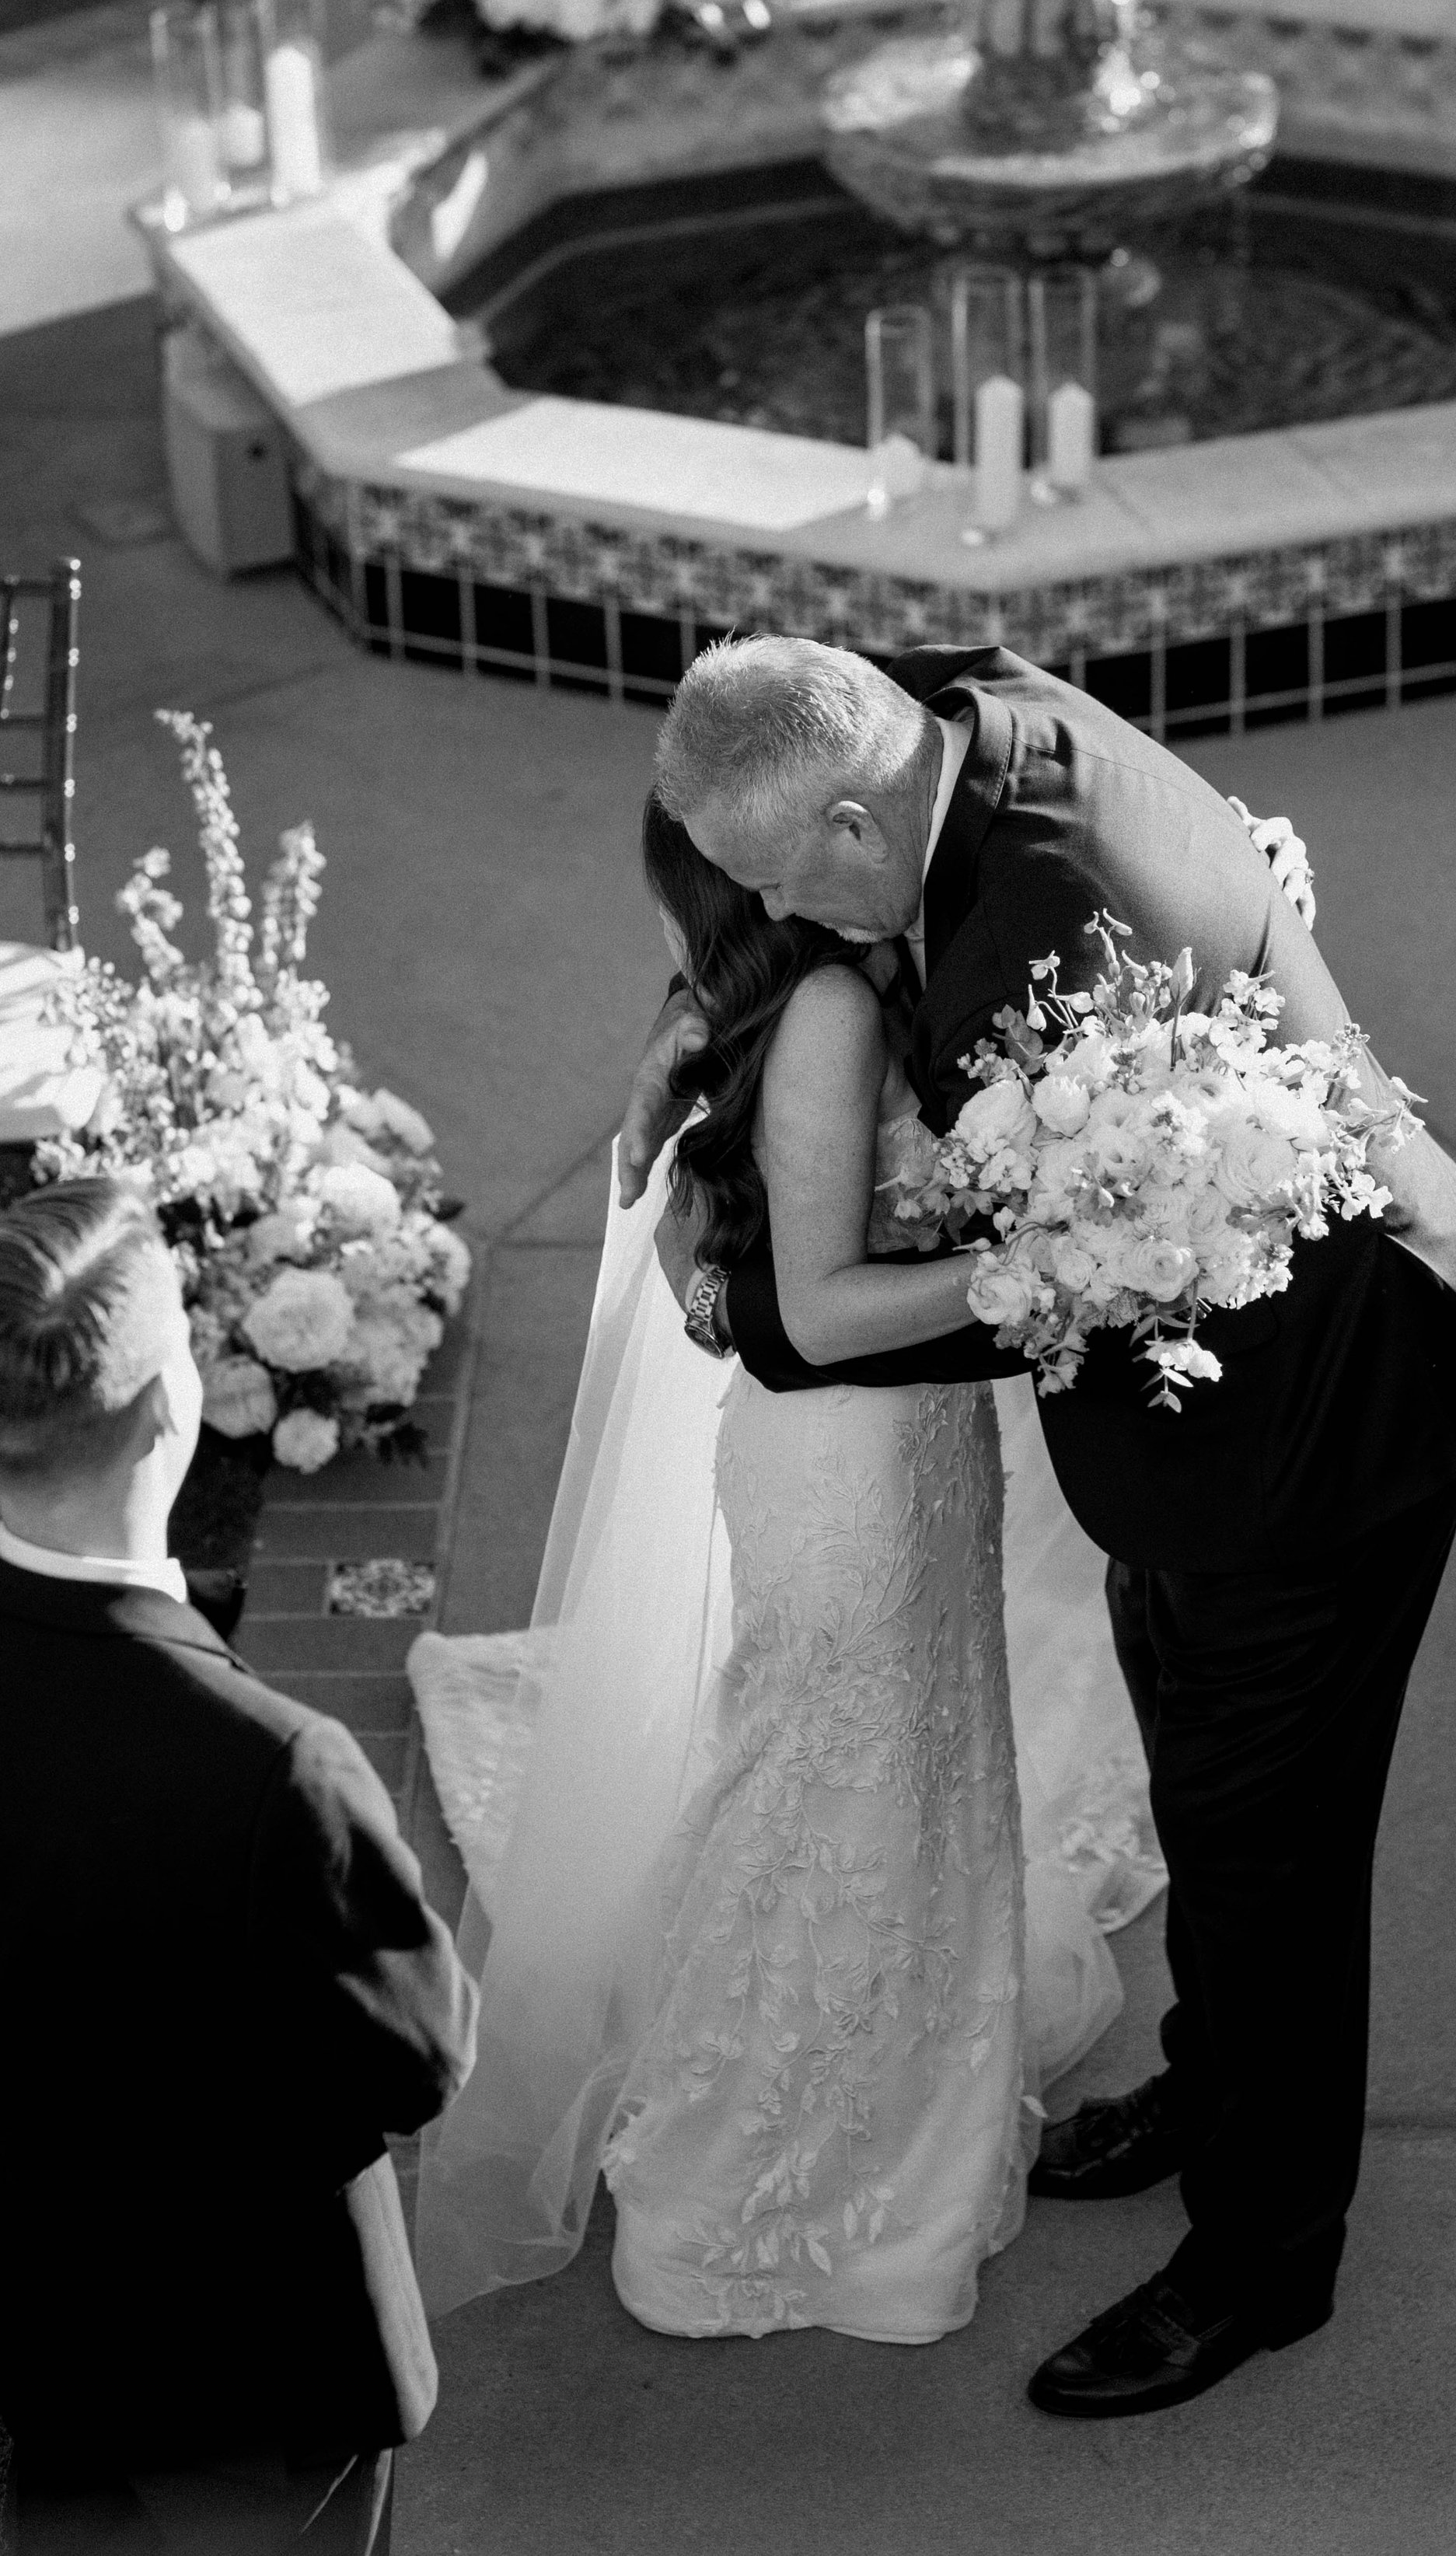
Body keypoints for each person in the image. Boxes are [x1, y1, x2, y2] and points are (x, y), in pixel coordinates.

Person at [623, 636, 1456, 2418]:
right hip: (1198, 1409)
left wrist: (797, 1308)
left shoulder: (1037, 951)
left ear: (865, 824)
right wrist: (695, 1030)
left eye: (781, 885)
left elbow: (1089, 1268)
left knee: (1267, 1854)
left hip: (1308, 1426)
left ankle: (1262, 2262)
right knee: (1197, 1773)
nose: (775, 923)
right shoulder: (960, 701)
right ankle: (1214, 2080)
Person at [414, 801, 1127, 2345]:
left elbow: (705, 1288)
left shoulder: (752, 1011)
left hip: (896, 1461)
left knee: (885, 1766)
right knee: (839, 1778)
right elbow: (795, 1313)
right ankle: (777, 2163)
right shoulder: (815, 1015)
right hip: (857, 1475)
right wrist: (1054, 1262)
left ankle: (887, 2071)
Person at [0, 1178, 477, 2552]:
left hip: (43, 2351)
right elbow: (417, 2060)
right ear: (172, 1409)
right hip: (257, 2389)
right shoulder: (275, 1768)